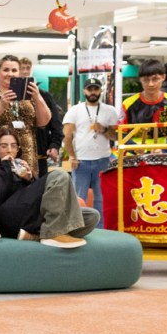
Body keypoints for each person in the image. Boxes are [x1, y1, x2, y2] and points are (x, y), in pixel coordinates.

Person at [0, 127, 98, 248]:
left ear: (18, 149)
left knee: (91, 216)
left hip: (29, 216)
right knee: (59, 175)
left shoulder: (19, 165)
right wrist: (5, 166)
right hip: (5, 217)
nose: (9, 150)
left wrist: (30, 180)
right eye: (3, 146)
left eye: (13, 145)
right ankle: (52, 233)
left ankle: (35, 236)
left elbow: (42, 198)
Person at [0, 55, 53, 179]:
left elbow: (43, 122)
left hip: (25, 156)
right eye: (6, 70)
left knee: (24, 195)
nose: (10, 74)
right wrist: (1, 105)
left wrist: (38, 97)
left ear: (19, 73)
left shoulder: (28, 98)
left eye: (14, 70)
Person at [63, 78, 118, 228]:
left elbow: (116, 136)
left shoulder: (110, 111)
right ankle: (78, 227)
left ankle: (101, 229)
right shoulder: (75, 110)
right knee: (79, 198)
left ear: (101, 90)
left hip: (103, 160)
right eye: (90, 89)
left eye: (96, 89)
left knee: (101, 198)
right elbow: (67, 136)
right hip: (81, 161)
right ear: (84, 91)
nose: (93, 92)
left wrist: (104, 130)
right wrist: (72, 156)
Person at [119, 59, 167, 145]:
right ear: (140, 79)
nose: (150, 84)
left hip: (162, 156)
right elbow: (120, 132)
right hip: (134, 155)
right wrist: (135, 148)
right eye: (146, 80)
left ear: (163, 77)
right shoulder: (127, 104)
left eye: (155, 79)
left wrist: (164, 150)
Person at [18, 57, 64, 173]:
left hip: (39, 154)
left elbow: (56, 124)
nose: (25, 71)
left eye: (27, 68)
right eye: (21, 68)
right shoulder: (9, 96)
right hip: (16, 153)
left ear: (32, 70)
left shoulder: (44, 96)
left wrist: (54, 145)